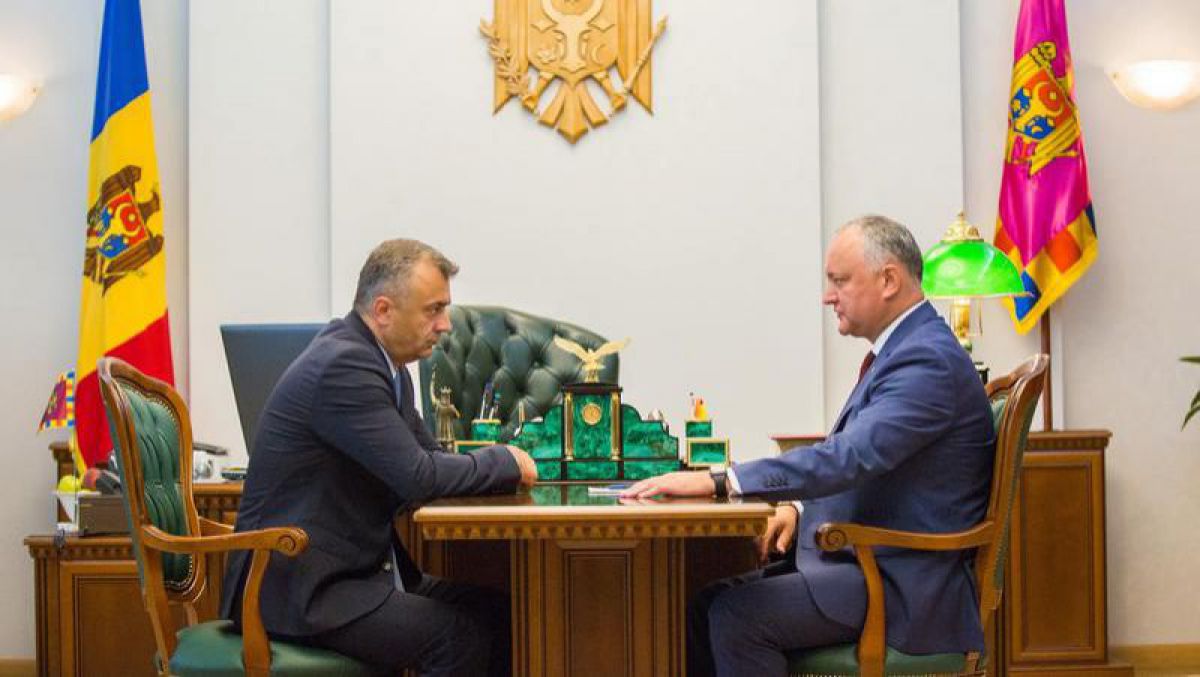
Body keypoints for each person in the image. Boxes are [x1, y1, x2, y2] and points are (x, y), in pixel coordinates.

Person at [622, 215, 996, 676]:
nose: (828, 296)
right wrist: (799, 509)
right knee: (706, 604)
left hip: (903, 586)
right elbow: (873, 463)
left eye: (840, 281)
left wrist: (722, 481)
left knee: (737, 617)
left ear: (888, 280)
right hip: (871, 565)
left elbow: (850, 457)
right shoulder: (910, 350)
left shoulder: (927, 361)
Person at [220, 238, 538, 676]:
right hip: (298, 591)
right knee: (457, 638)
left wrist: (494, 462)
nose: (445, 325)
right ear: (384, 310)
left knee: (502, 614)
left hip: (347, 575)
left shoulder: (387, 368)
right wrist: (505, 461)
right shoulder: (345, 365)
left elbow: (429, 457)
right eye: (433, 310)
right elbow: (419, 476)